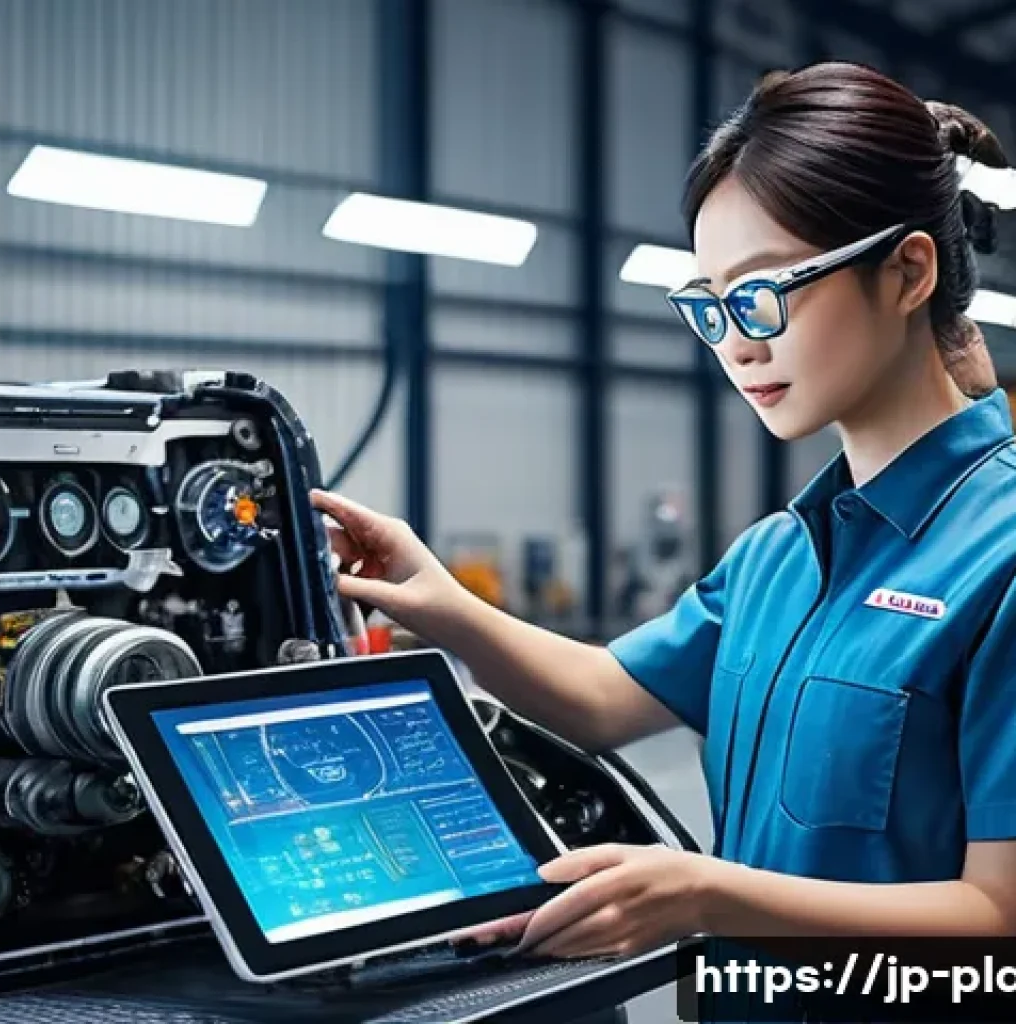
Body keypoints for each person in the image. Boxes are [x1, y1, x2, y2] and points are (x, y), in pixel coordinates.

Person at [310, 60, 1016, 973]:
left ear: (908, 271)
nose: (739, 342)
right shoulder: (781, 557)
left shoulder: (999, 560)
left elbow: (999, 914)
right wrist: (437, 600)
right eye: (712, 306)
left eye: (765, 292)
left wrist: (704, 892)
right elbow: (603, 698)